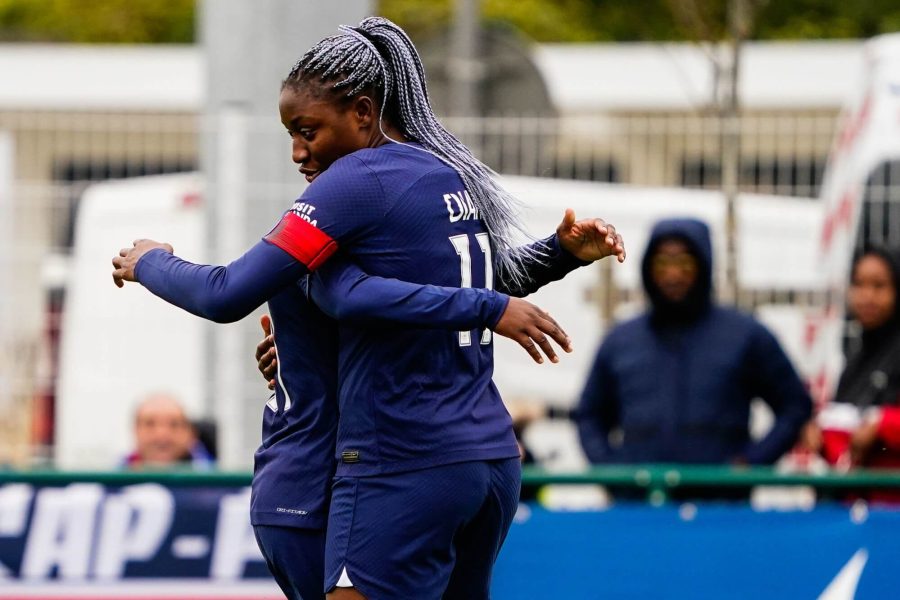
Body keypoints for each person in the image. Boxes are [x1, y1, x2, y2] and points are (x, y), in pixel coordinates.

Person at [110, 16, 625, 600]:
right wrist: (558, 253)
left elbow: (228, 293)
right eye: (291, 134)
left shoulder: (353, 181)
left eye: (309, 130)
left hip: (402, 460)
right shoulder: (447, 172)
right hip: (488, 461)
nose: (299, 153)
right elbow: (464, 277)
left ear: (361, 113)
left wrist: (149, 260)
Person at [575, 218, 811, 474]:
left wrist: (749, 463)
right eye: (662, 263)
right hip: (640, 506)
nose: (673, 274)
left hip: (719, 506)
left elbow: (795, 406)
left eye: (685, 263)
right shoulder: (620, 340)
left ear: (703, 266)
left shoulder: (745, 335)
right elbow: (589, 415)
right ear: (648, 268)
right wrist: (612, 472)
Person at [807, 247, 900, 488]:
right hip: (858, 509)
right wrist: (821, 437)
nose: (867, 296)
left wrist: (882, 425)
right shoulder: (856, 358)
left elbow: (879, 425)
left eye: (879, 286)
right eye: (858, 284)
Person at [122, 393, 214, 469]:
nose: (162, 434)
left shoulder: (217, 484)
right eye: (150, 424)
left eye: (174, 424)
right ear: (135, 430)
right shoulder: (110, 484)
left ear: (191, 433)